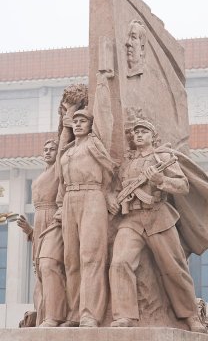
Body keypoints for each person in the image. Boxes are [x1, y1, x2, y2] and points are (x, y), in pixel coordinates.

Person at [108, 119, 206, 332]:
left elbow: (183, 185)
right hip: (131, 219)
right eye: (136, 133)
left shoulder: (163, 157)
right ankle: (124, 315)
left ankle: (191, 316)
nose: (139, 135)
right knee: (119, 262)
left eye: (144, 131)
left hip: (157, 216)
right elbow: (115, 190)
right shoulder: (128, 163)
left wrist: (160, 180)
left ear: (153, 136)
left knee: (174, 267)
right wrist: (113, 199)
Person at [56, 72, 116, 328]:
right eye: (76, 121)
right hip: (70, 199)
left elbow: (104, 116)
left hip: (93, 196)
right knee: (72, 259)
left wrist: (103, 82)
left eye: (83, 121)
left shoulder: (95, 144)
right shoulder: (69, 150)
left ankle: (90, 313)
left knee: (91, 256)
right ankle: (74, 313)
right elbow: (59, 170)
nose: (78, 124)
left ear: (91, 125)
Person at [17, 139, 67, 327]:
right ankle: (43, 316)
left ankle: (55, 315)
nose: (48, 152)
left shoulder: (58, 171)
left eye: (52, 149)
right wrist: (30, 230)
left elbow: (64, 142)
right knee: (40, 273)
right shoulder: (41, 175)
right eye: (45, 149)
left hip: (54, 218)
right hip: (39, 221)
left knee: (49, 266)